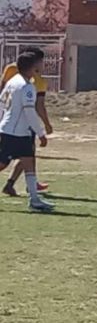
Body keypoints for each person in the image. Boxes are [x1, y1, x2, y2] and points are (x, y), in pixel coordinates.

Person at [0, 53, 53, 212]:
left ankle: (35, 200)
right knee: (2, 164)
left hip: (14, 130)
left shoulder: (12, 81)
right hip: (15, 133)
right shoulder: (26, 87)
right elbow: (29, 112)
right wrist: (41, 133)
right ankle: (35, 200)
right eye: (40, 63)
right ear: (33, 66)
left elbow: (2, 102)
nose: (42, 66)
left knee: (29, 162)